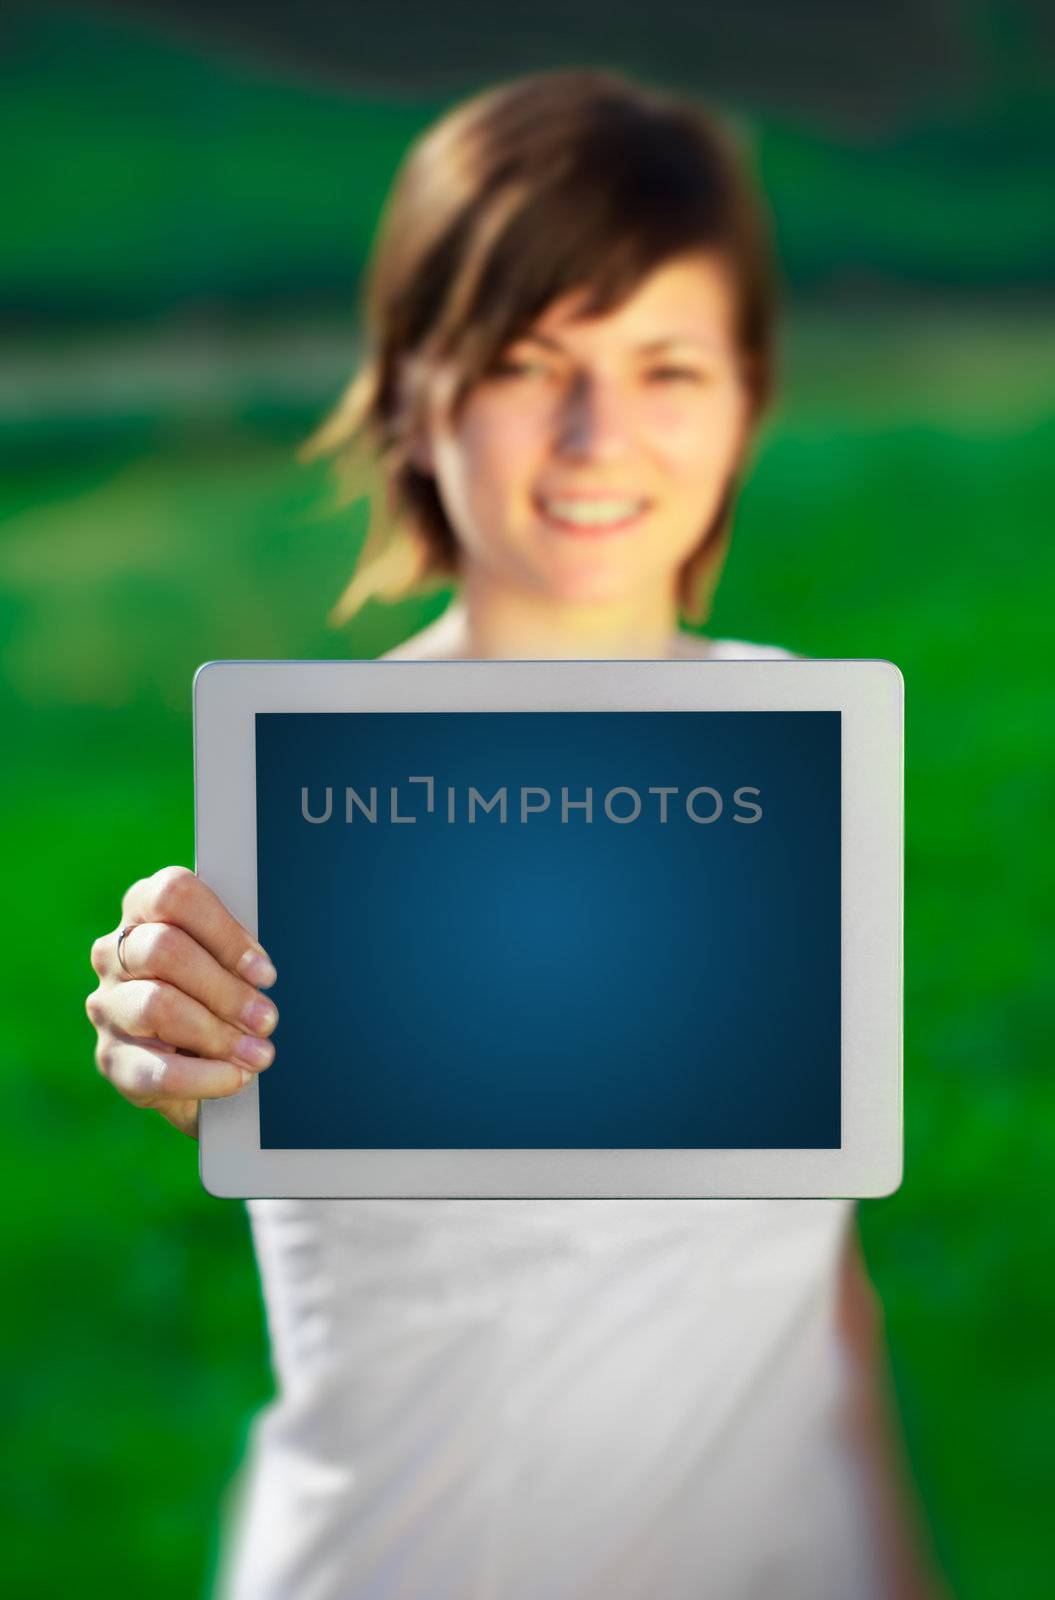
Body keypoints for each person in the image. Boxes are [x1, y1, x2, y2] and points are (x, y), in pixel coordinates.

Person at [85, 69, 946, 1599]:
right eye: (528, 362)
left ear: (748, 396)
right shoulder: (307, 807)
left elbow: (820, 1283)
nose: (595, 434)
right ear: (413, 390)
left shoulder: (797, 738)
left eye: (665, 367)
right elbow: (190, 1049)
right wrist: (167, 1027)